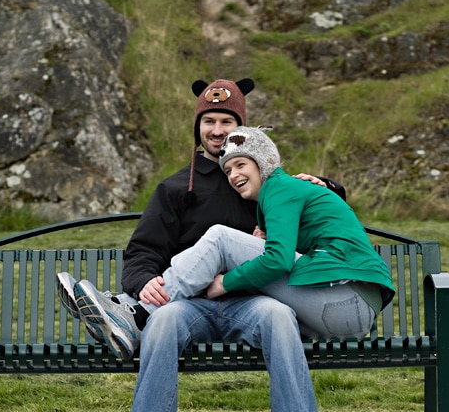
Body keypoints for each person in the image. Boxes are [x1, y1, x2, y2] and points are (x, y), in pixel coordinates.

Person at [58, 78, 345, 412]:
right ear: (198, 129)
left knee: (281, 317)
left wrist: (328, 187)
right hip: (187, 304)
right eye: (208, 121)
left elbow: (319, 225)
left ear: (243, 129)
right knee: (162, 322)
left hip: (253, 300)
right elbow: (141, 253)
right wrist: (143, 285)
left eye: (227, 121)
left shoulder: (267, 183)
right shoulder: (175, 188)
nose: (217, 130)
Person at [66, 125, 395, 351]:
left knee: (221, 238)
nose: (234, 174)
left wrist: (226, 282)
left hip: (348, 302)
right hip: (341, 307)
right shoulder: (275, 199)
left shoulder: (281, 188)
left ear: (264, 163)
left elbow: (278, 260)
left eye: (241, 164)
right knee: (228, 243)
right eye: (227, 169)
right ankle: (126, 311)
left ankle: (134, 315)